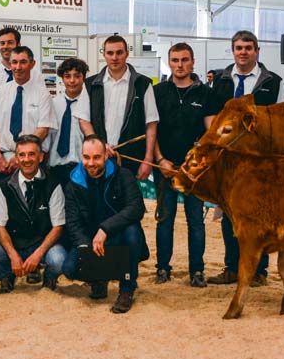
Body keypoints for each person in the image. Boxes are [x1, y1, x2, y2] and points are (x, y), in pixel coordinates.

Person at [205, 30, 284, 288]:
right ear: (233, 51)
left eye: (248, 48)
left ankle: (258, 271)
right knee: (231, 216)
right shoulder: (219, 81)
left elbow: (282, 121)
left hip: (261, 163)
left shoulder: (273, 82)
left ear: (257, 51)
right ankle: (232, 268)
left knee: (259, 218)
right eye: (239, 47)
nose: (243, 52)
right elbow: (211, 117)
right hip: (228, 163)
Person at [153, 43, 221, 287]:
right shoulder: (158, 92)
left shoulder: (206, 94)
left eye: (184, 60)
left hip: (194, 170)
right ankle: (162, 268)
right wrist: (160, 160)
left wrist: (193, 162)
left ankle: (197, 271)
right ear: (169, 62)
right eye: (175, 60)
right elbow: (152, 131)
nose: (179, 65)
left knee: (195, 221)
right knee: (165, 219)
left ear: (193, 62)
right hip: (164, 168)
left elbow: (210, 133)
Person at [64, 136, 147, 314]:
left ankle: (127, 288)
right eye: (86, 157)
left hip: (116, 237)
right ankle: (98, 279)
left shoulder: (123, 175)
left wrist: (105, 229)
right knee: (69, 268)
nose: (91, 163)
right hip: (90, 240)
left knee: (132, 232)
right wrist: (86, 249)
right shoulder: (73, 184)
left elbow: (136, 208)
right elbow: (73, 223)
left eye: (96, 157)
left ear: (106, 156)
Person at [0, 134, 68, 294]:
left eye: (32, 154)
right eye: (22, 155)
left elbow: (58, 226)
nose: (27, 159)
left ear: (40, 157)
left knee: (59, 261)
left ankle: (49, 277)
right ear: (16, 159)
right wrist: (13, 256)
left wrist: (37, 255)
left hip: (43, 245)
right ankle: (8, 275)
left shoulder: (53, 185)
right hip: (16, 244)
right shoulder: (4, 186)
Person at [85, 35, 159, 181]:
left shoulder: (143, 84)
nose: (114, 57)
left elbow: (151, 124)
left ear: (127, 53)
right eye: (110, 53)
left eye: (119, 52)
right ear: (104, 54)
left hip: (130, 161)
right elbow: (84, 120)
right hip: (98, 159)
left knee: (128, 202)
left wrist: (148, 159)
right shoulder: (90, 84)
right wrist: (99, 145)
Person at [0, 46, 56, 178]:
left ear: (32, 64)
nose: (18, 67)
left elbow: (43, 130)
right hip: (4, 164)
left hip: (31, 161)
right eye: (14, 62)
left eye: (23, 62)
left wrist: (20, 157)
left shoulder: (42, 94)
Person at [47, 57, 94, 188]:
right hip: (56, 167)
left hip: (82, 167)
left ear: (84, 78)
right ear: (62, 79)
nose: (72, 81)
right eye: (67, 76)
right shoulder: (53, 104)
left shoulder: (90, 104)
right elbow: (49, 137)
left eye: (77, 76)